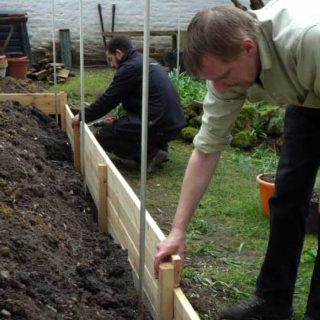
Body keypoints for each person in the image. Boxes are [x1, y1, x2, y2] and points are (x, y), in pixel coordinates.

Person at [154, 1, 320, 319]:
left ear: (248, 48)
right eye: (212, 79)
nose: (220, 88)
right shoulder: (226, 70)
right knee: (286, 196)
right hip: (306, 95)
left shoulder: (308, 39)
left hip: (314, 66)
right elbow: (206, 149)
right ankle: (273, 301)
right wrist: (177, 230)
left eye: (225, 77)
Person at [72, 36, 186, 172]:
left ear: (119, 54)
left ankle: (152, 154)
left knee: (104, 135)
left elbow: (108, 100)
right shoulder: (146, 61)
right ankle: (159, 148)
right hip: (173, 122)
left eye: (110, 59)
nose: (112, 65)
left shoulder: (129, 68)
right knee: (123, 125)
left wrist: (82, 116)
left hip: (158, 122)